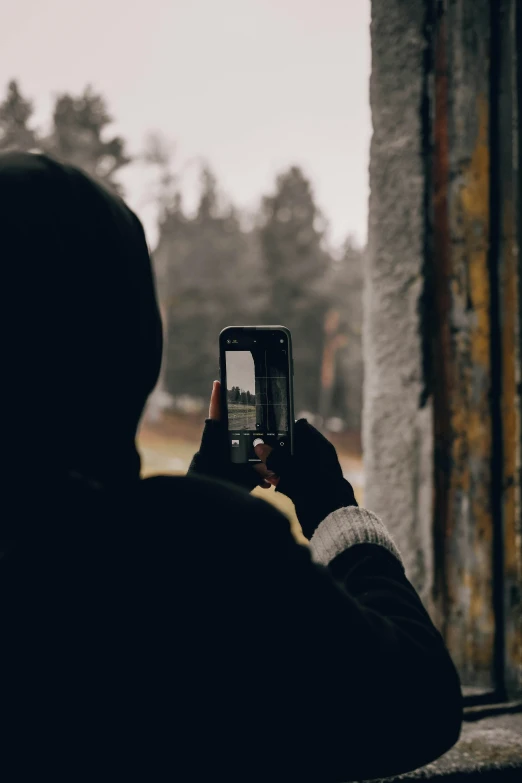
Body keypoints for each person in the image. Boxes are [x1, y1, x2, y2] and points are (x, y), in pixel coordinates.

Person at [0, 151, 462, 782]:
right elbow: (418, 705)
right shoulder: (209, 541)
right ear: (120, 336)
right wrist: (333, 507)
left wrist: (209, 483)